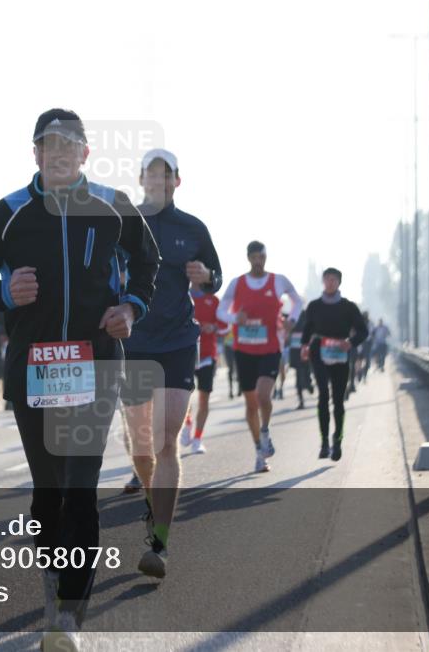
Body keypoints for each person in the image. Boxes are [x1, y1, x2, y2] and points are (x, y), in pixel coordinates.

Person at [0, 108, 159, 650]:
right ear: (36, 154)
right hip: (33, 370)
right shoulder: (11, 213)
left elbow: (147, 264)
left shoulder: (114, 206)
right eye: (49, 144)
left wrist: (131, 307)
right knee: (48, 493)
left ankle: (69, 616)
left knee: (79, 488)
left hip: (95, 365)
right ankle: (53, 586)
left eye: (70, 144)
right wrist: (1, 293)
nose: (60, 152)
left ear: (86, 153)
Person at [120, 148, 222, 580]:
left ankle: (160, 541)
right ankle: (152, 500)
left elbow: (216, 275)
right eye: (151, 174)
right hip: (134, 341)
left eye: (165, 175)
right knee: (140, 447)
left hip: (179, 340)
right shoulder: (123, 222)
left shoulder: (192, 228)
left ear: (176, 181)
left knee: (166, 440)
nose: (158, 180)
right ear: (142, 178)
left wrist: (205, 277)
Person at [217, 241, 302, 473]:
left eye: (261, 256)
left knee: (264, 395)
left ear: (265, 257)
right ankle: (259, 451)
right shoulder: (237, 283)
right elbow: (220, 312)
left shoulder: (279, 280)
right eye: (253, 257)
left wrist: (291, 321)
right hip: (244, 350)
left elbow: (298, 301)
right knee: (250, 403)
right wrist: (236, 319)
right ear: (248, 258)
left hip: (270, 348)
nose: (257, 260)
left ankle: (265, 430)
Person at [300, 268, 369, 461]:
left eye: (334, 280)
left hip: (340, 354)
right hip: (319, 353)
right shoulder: (314, 306)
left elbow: (363, 331)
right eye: (327, 279)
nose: (330, 283)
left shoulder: (348, 307)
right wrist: (304, 346)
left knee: (338, 400)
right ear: (323, 281)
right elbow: (307, 329)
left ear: (339, 282)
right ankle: (324, 443)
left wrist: (351, 343)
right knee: (323, 394)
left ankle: (337, 440)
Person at [180, 282, 227, 455]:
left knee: (203, 399)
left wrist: (213, 327)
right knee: (184, 397)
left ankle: (198, 439)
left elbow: (225, 326)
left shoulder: (213, 300)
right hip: (186, 355)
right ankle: (187, 423)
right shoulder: (181, 296)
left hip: (207, 357)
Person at [287, 311, 314, 410]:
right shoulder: (308, 322)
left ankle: (301, 399)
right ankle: (308, 386)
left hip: (297, 352)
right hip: (304, 351)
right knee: (306, 372)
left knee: (300, 375)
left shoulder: (293, 321)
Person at [273, 311, 289, 400]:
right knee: (273, 372)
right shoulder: (271, 323)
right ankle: (274, 389)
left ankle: (281, 388)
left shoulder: (284, 323)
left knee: (282, 371)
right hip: (272, 351)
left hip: (282, 351)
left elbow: (287, 336)